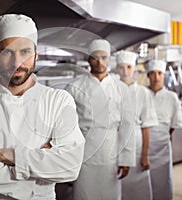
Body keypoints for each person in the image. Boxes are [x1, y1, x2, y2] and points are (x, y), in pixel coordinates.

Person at [0, 14, 85, 200]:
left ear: (36, 55)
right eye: (7, 52)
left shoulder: (58, 101)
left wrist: (5, 155)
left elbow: (70, 167)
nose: (16, 63)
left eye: (25, 52)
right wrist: (36, 176)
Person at [65, 39, 136, 200]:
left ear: (109, 59)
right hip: (84, 151)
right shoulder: (75, 87)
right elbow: (66, 124)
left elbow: (127, 125)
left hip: (111, 151)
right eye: (95, 57)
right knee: (84, 194)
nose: (100, 61)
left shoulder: (121, 88)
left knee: (109, 194)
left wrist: (126, 158)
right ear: (89, 59)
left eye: (104, 57)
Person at [115, 50, 158, 200]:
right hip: (116, 142)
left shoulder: (143, 92)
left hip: (137, 143)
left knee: (139, 188)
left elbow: (147, 125)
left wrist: (145, 155)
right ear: (116, 69)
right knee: (117, 185)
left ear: (134, 69)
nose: (125, 71)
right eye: (121, 67)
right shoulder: (111, 90)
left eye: (129, 67)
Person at [146, 59, 182, 200]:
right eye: (153, 74)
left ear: (164, 76)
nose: (156, 77)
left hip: (162, 147)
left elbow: (174, 124)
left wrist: (161, 135)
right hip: (143, 146)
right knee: (143, 182)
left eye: (160, 73)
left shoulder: (172, 97)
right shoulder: (141, 94)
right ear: (148, 76)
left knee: (162, 181)